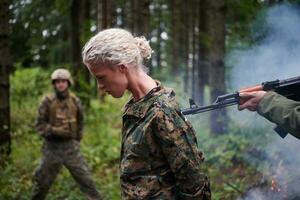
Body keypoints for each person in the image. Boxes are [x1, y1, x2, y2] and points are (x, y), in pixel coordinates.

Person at [82, 28, 211, 200]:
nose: (99, 86)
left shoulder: (161, 112)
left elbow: (193, 184)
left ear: (121, 67)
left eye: (100, 77)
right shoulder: (136, 104)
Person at [31, 69, 102, 200]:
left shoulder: (75, 101)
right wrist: (53, 131)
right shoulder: (47, 101)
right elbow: (39, 124)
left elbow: (81, 121)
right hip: (51, 148)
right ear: (54, 84)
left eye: (63, 81)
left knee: (86, 181)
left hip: (71, 148)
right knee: (42, 183)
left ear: (68, 83)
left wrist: (76, 140)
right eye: (57, 82)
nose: (60, 84)